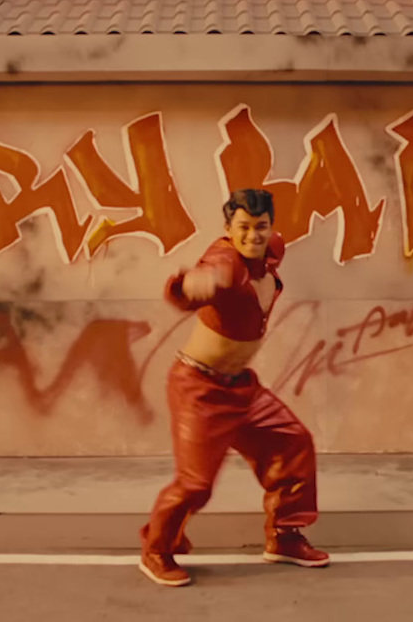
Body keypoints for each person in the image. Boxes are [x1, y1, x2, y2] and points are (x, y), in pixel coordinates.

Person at [137, 188, 327, 587]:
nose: (253, 236)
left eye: (260, 226)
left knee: (293, 443)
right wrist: (192, 283)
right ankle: (156, 549)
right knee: (196, 484)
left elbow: (267, 246)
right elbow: (200, 277)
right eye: (243, 228)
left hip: (243, 389)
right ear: (228, 229)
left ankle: (285, 537)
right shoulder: (225, 261)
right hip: (199, 387)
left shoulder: (273, 249)